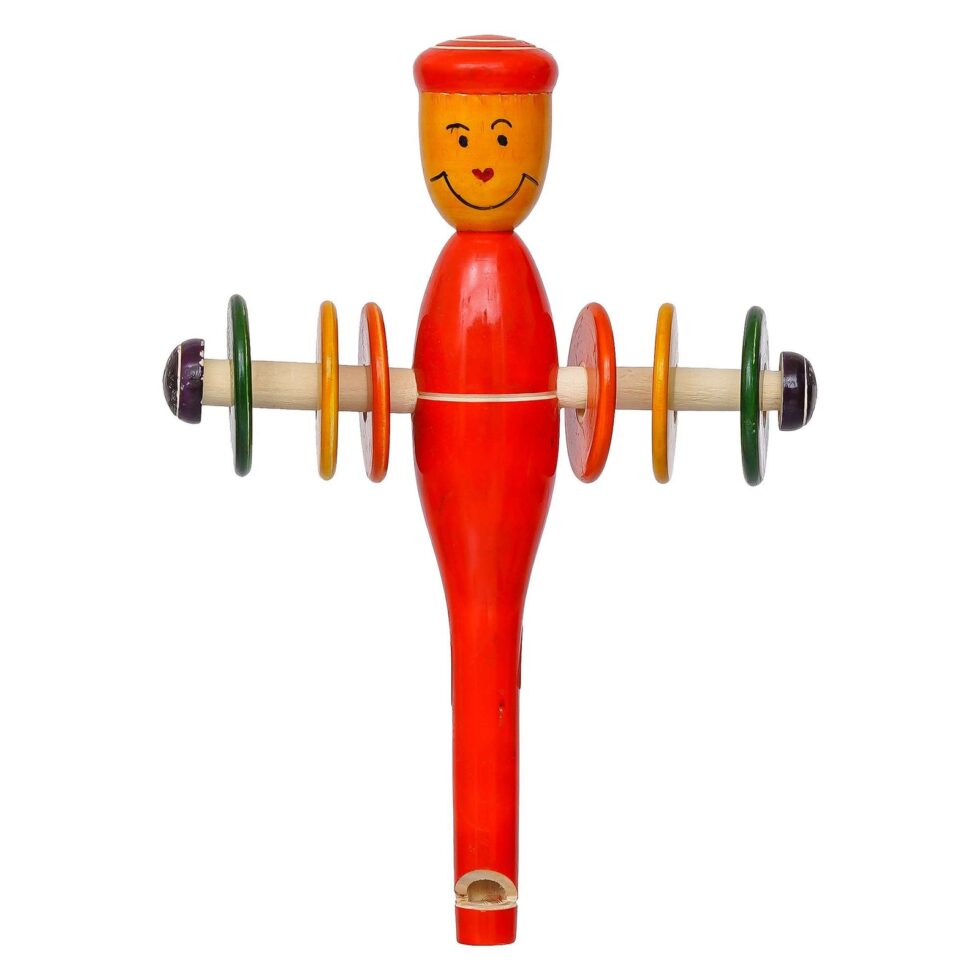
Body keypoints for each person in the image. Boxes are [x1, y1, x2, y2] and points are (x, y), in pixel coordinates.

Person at [412, 35, 560, 946]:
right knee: (479, 618)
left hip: (512, 474)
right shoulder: (458, 277)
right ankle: (481, 896)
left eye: (503, 138)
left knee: (489, 618)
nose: (478, 161)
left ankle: (490, 897)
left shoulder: (513, 279)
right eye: (461, 136)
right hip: (457, 476)